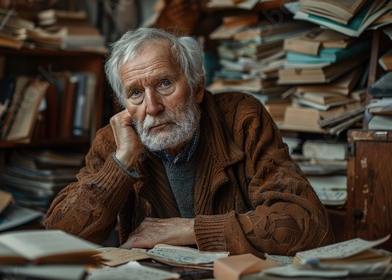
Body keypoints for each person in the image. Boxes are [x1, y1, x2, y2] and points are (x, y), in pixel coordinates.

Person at [45, 27, 335, 257]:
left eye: (165, 84)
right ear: (124, 105)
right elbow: (59, 237)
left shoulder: (242, 119)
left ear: (197, 87)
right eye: (135, 93)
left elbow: (307, 225)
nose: (152, 106)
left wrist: (191, 230)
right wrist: (121, 164)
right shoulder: (114, 142)